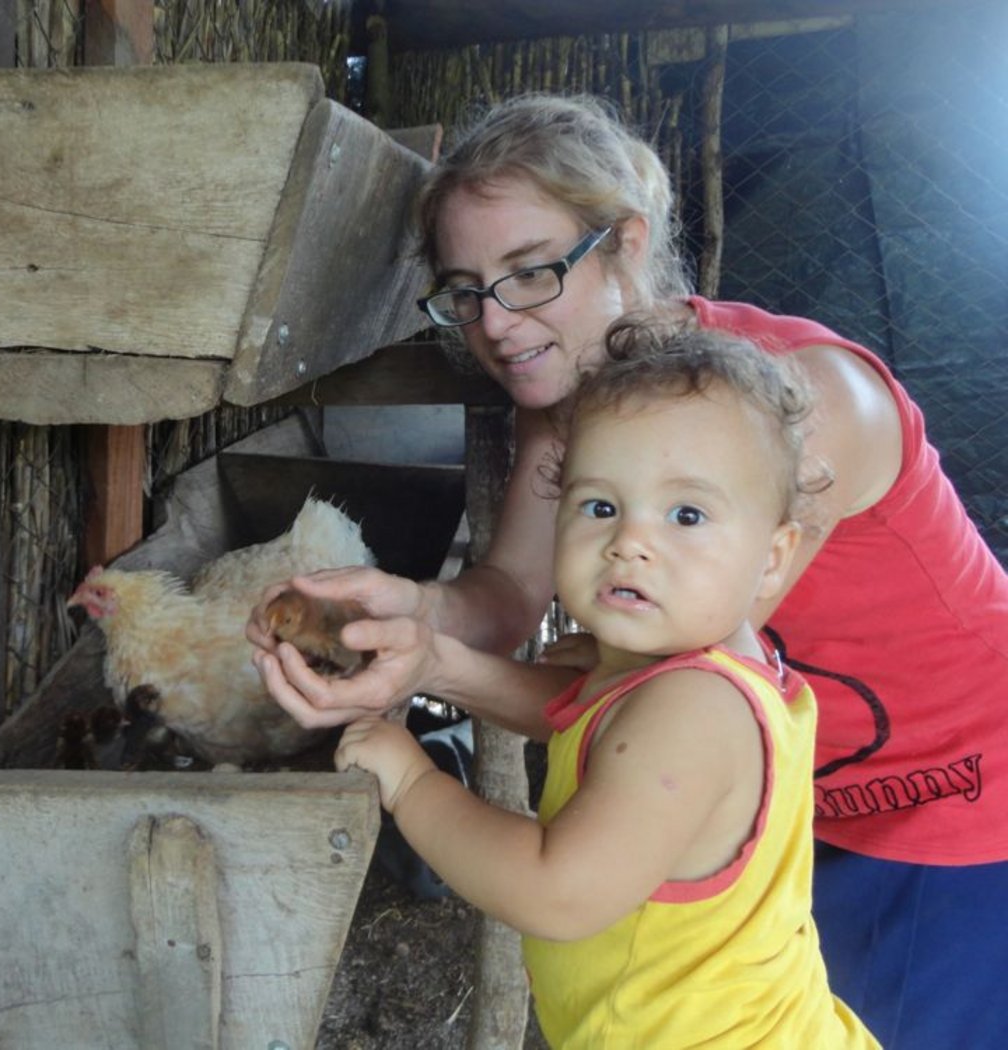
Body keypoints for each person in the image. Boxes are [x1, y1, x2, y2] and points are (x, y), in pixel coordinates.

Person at [248, 93, 1008, 1048]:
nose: (496, 323)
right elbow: (507, 600)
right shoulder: (579, 414)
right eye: (467, 291)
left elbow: (645, 693)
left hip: (961, 792)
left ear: (626, 245)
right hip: (798, 799)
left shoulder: (793, 410)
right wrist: (407, 615)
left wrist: (417, 751)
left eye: (531, 272)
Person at [333, 325, 876, 1046]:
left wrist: (412, 784)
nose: (629, 542)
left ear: (773, 558)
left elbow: (556, 893)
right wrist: (437, 663)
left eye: (686, 515)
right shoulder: (691, 669)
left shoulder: (694, 710)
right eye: (599, 507)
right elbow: (587, 725)